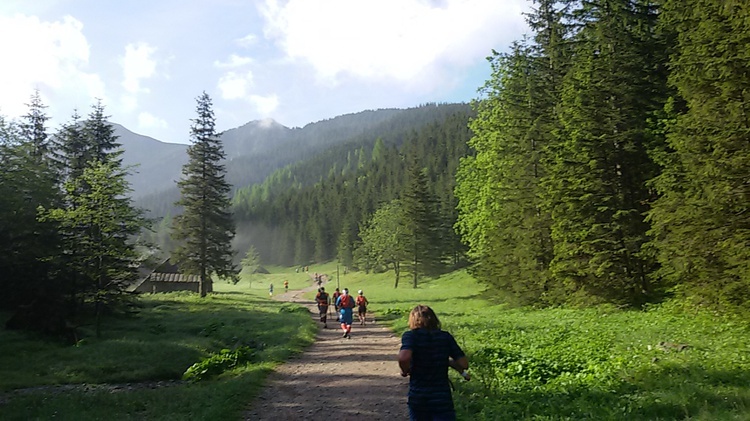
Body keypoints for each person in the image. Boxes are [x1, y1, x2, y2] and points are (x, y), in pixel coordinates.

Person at [398, 305, 470, 421]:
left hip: (418, 396)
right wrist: (447, 361)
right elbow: (464, 364)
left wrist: (405, 370)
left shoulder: (411, 336)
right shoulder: (445, 337)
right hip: (442, 397)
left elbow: (404, 357)